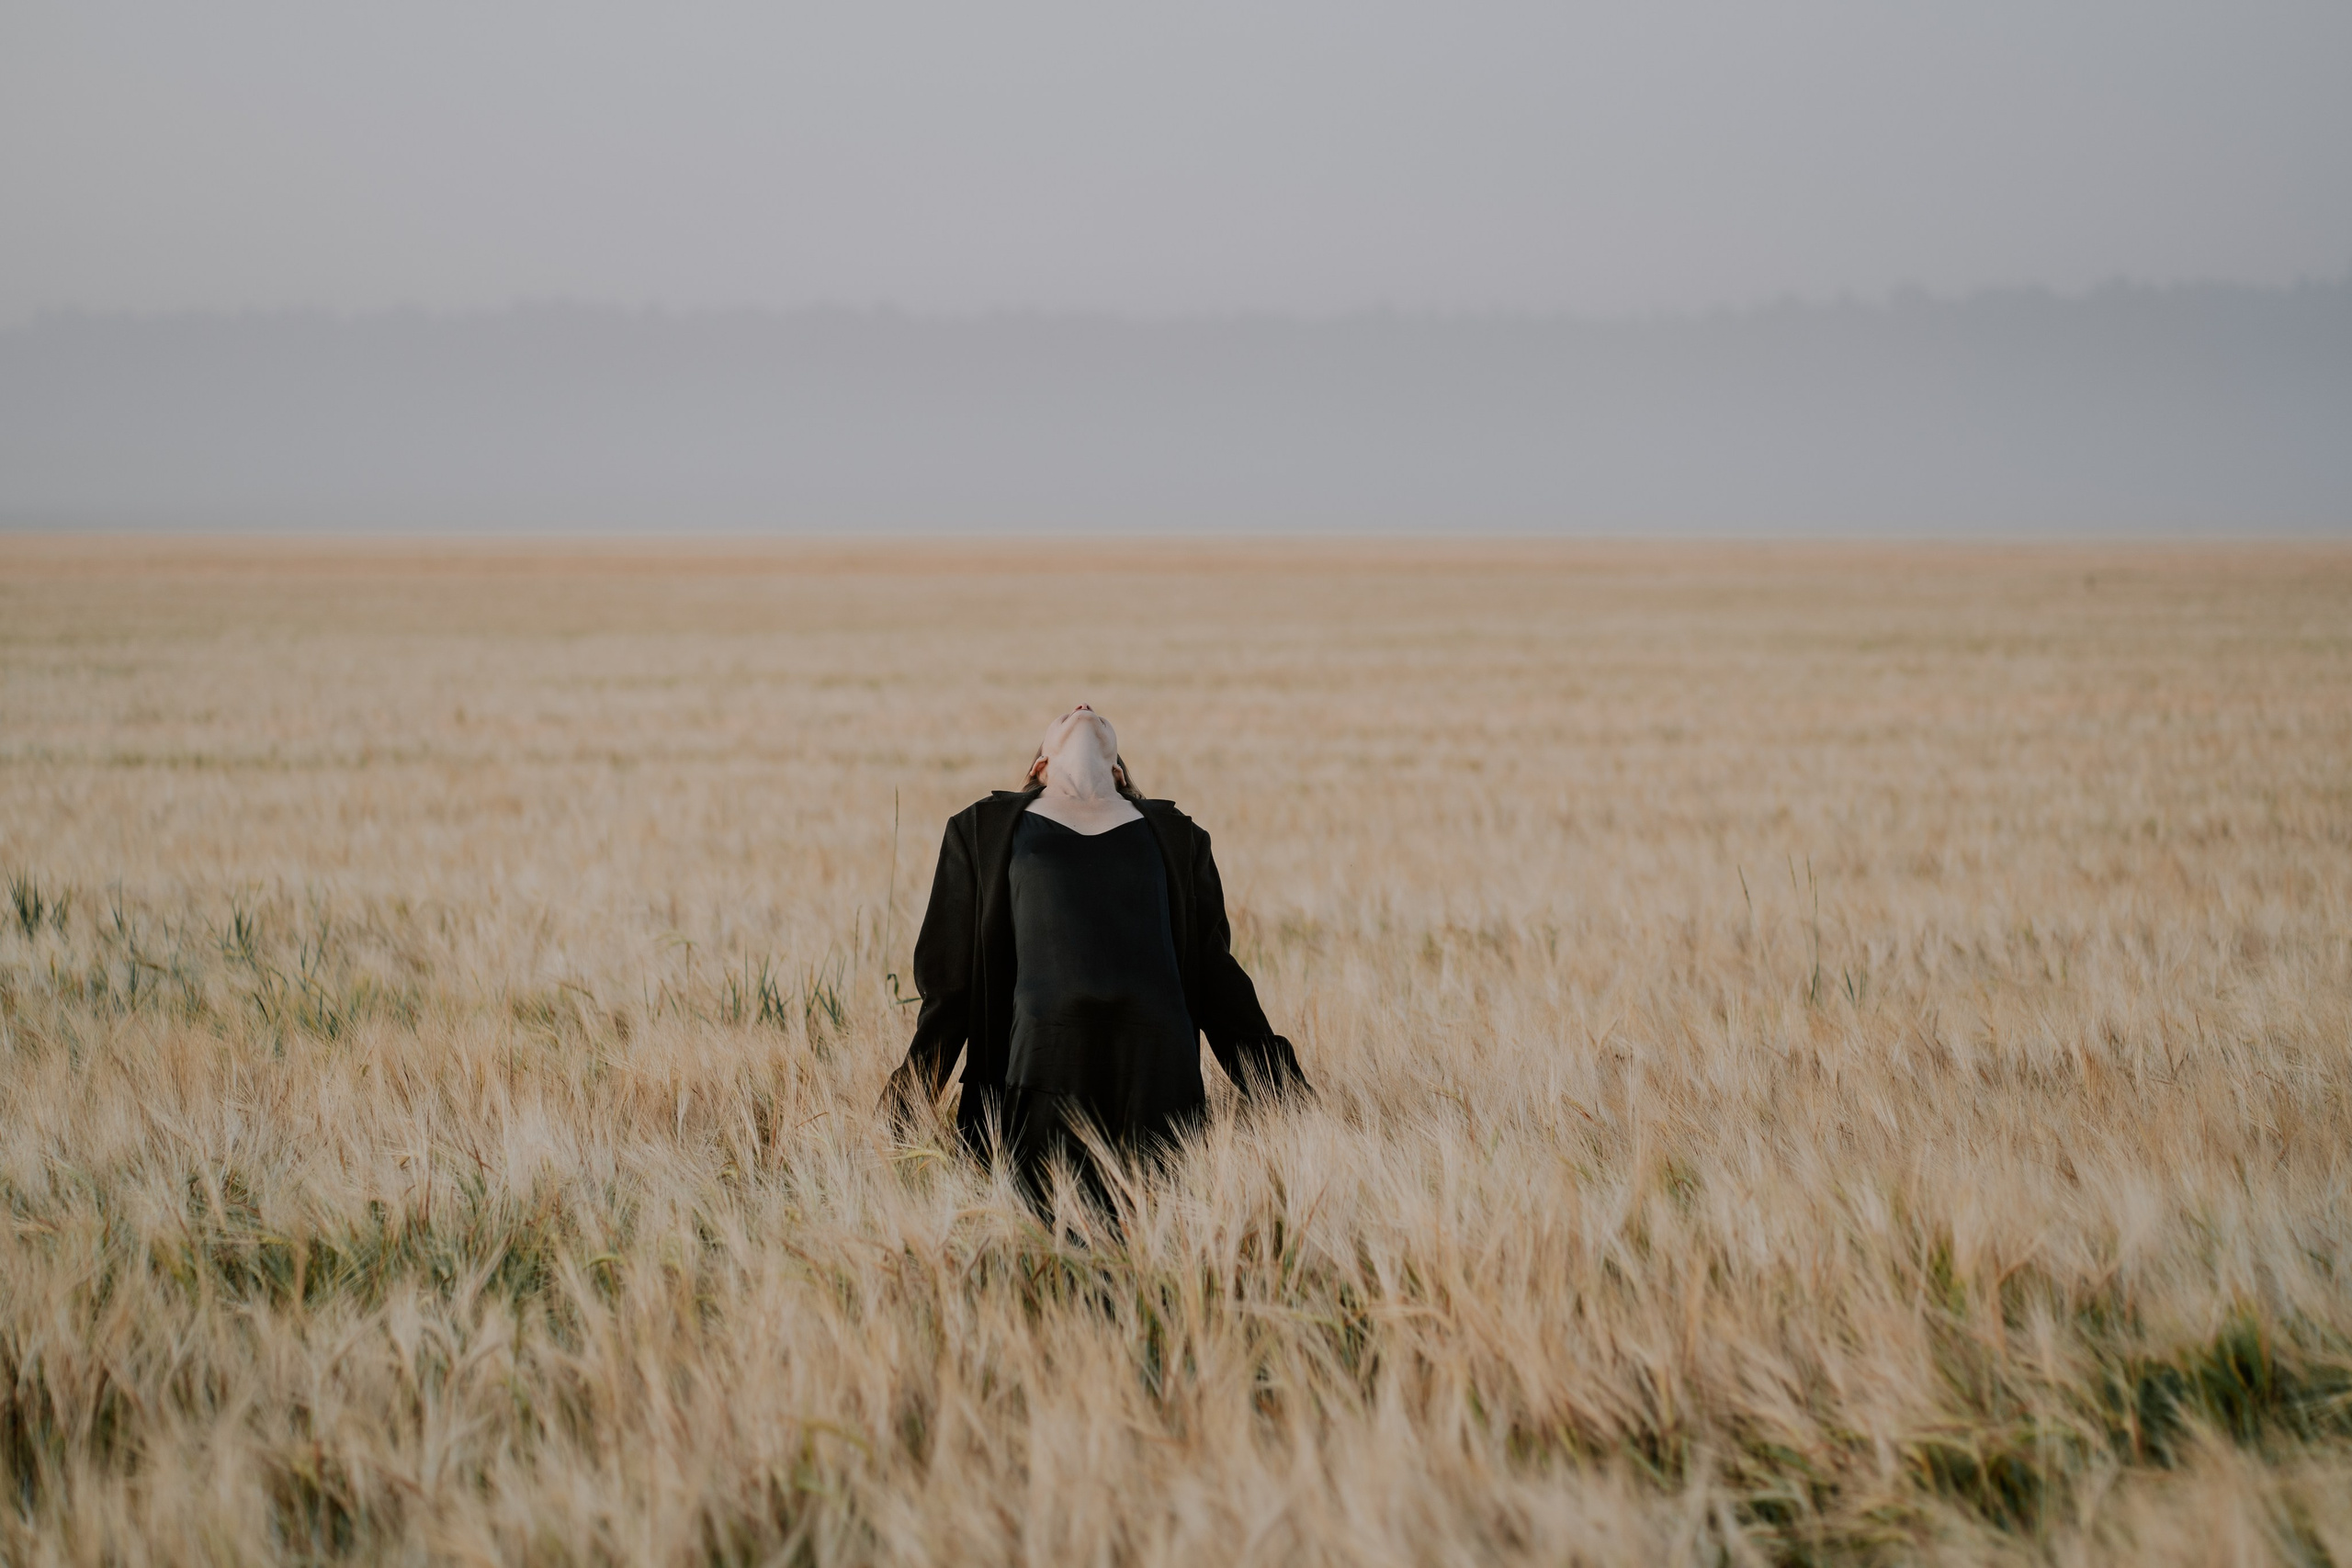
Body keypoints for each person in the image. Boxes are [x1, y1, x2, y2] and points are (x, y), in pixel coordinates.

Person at [881, 705, 1308, 1205]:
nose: (1083, 707)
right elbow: (949, 985)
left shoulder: (1177, 836)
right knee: (1048, 1239)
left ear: (1118, 771)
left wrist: (1291, 1104)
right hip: (1037, 1069)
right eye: (1067, 712)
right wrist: (904, 1111)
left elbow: (1220, 983)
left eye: (1095, 713)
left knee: (1155, 1244)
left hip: (1157, 1078)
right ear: (1039, 765)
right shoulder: (983, 831)